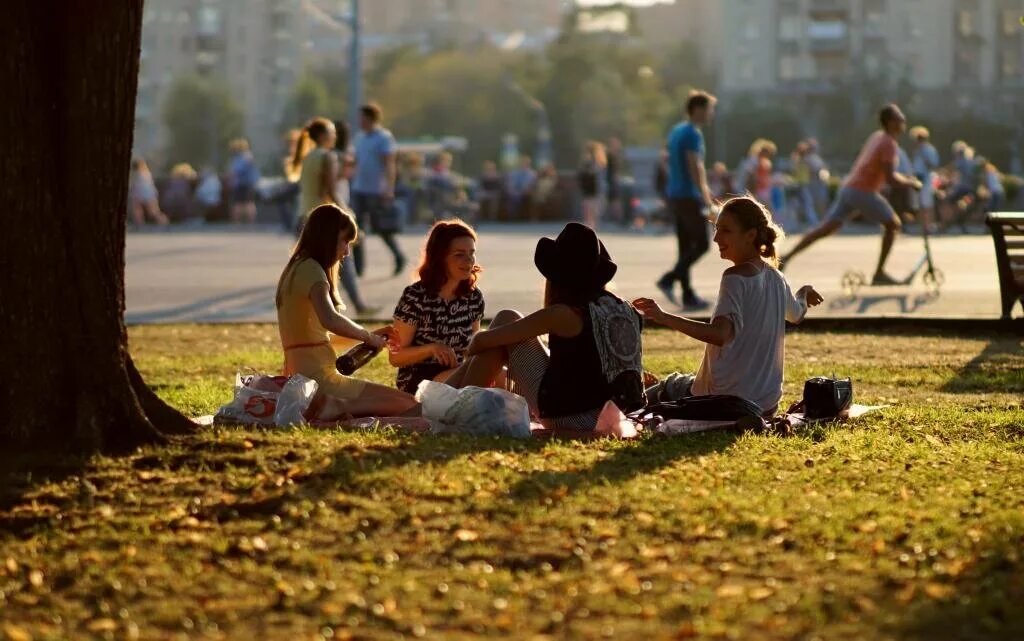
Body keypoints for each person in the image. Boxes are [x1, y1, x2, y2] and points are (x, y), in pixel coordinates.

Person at [634, 196, 823, 416]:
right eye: (716, 229)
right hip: (766, 405)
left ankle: (642, 393)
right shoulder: (777, 278)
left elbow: (719, 334)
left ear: (750, 235)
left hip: (725, 402)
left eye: (725, 230)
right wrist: (804, 292)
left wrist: (663, 316)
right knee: (680, 383)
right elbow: (797, 314)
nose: (715, 238)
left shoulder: (734, 278)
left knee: (669, 386)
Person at [450, 223, 645, 429]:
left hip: (573, 417)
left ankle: (454, 412)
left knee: (506, 320)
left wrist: (467, 361)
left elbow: (480, 341)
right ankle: (448, 404)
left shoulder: (564, 313)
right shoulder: (625, 309)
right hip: (618, 414)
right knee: (505, 328)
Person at [275, 203, 418, 420]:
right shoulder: (313, 271)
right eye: (344, 242)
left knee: (407, 405)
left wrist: (368, 338)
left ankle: (344, 412)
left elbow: (315, 338)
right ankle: (338, 409)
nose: (346, 252)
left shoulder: (296, 268)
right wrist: (367, 335)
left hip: (304, 381)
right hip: (322, 383)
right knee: (412, 406)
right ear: (326, 238)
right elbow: (330, 319)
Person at [780, 104, 922, 285]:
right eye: (899, 118)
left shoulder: (877, 137)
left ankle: (787, 257)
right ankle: (879, 274)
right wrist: (912, 183)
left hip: (849, 189)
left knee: (826, 228)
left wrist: (905, 180)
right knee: (893, 224)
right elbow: (891, 178)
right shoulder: (888, 143)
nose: (903, 121)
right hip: (862, 191)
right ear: (890, 122)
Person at [390, 220, 486, 394]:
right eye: (459, 254)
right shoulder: (416, 296)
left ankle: (538, 413)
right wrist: (432, 348)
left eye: (472, 253)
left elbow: (472, 347)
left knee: (499, 374)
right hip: (418, 380)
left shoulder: (473, 297)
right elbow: (395, 357)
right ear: (440, 257)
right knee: (481, 376)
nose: (468, 260)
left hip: (459, 372)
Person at [656, 90, 717, 310]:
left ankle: (688, 295)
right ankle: (668, 279)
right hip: (689, 196)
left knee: (685, 247)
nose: (711, 114)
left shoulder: (676, 131)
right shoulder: (692, 133)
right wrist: (707, 197)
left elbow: (664, 160)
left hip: (675, 194)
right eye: (710, 109)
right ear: (698, 109)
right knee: (701, 244)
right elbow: (695, 166)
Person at [351, 102, 405, 277]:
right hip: (359, 188)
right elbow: (355, 162)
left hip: (377, 190)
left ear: (370, 118)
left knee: (381, 228)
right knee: (355, 230)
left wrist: (389, 189)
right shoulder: (359, 138)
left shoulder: (383, 137)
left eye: (362, 117)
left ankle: (399, 257)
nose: (359, 120)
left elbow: (390, 164)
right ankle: (358, 269)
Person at [333, 119, 378, 317]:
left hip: (336, 209)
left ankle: (347, 305)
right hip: (337, 212)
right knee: (344, 261)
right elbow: (332, 186)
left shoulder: (334, 156)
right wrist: (346, 211)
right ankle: (357, 305)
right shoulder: (335, 158)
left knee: (337, 264)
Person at [910, 126, 940, 232]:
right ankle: (922, 226)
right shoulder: (916, 151)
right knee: (918, 204)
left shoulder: (929, 150)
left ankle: (929, 225)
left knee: (927, 204)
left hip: (926, 178)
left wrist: (925, 159)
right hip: (916, 178)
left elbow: (933, 164)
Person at [128, 158, 169, 226]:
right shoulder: (145, 173)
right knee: (139, 209)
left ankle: (164, 222)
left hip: (146, 195)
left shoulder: (139, 174)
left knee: (152, 211)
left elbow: (133, 185)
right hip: (145, 194)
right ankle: (140, 224)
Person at [229, 138, 260, 225]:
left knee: (240, 204)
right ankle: (249, 223)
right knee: (248, 203)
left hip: (243, 184)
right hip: (248, 183)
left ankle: (239, 223)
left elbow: (237, 170)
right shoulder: (248, 156)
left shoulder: (244, 157)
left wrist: (231, 175)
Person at [577, 141, 607, 229]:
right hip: (590, 186)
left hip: (594, 186)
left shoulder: (597, 161)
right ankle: (590, 224)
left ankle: (591, 224)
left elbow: (596, 172)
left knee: (592, 206)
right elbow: (584, 173)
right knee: (589, 206)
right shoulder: (588, 161)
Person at [505, 155, 536, 221]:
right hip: (516, 191)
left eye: (525, 163)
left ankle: (515, 215)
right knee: (512, 195)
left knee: (517, 196)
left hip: (526, 191)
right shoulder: (516, 172)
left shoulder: (532, 173)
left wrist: (523, 190)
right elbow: (511, 182)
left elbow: (530, 184)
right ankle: (512, 215)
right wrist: (511, 188)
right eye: (522, 163)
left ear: (528, 164)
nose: (523, 164)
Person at [606, 137, 624, 225]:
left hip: (614, 180)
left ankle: (618, 218)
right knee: (613, 200)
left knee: (616, 199)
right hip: (610, 180)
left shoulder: (616, 156)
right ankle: (615, 218)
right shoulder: (609, 155)